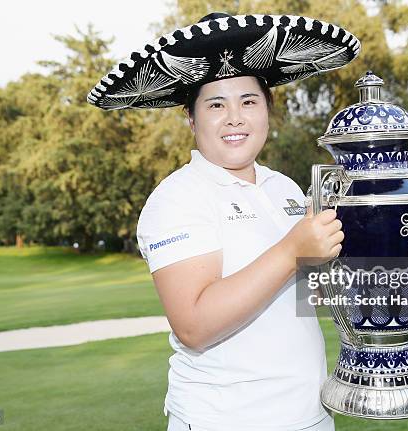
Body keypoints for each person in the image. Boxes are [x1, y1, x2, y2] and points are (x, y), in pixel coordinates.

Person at [87, 13, 360, 431]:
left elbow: (296, 299)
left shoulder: (283, 188)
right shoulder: (177, 198)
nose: (235, 117)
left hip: (309, 416)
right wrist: (291, 252)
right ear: (192, 119)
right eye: (216, 104)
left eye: (248, 101)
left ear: (268, 110)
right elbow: (194, 325)